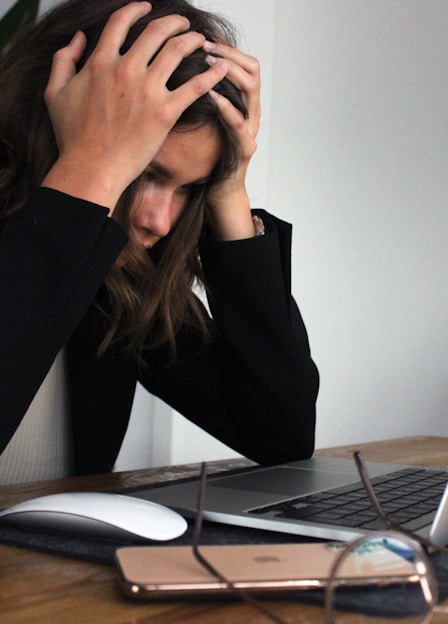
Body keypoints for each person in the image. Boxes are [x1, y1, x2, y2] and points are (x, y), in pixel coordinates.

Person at [0, 0, 319, 483]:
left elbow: (282, 434)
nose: (160, 222)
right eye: (144, 171)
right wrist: (92, 168)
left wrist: (229, 190)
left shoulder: (119, 284)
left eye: (189, 188)